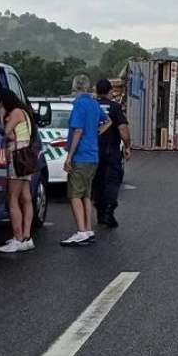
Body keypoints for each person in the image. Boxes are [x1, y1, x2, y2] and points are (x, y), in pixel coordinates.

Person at [62, 74, 109, 246]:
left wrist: (69, 156)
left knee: (75, 195)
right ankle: (88, 229)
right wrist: (96, 134)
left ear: (75, 88)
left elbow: (78, 131)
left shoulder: (79, 105)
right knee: (86, 195)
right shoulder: (94, 103)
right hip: (93, 155)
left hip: (81, 155)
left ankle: (81, 231)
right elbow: (107, 121)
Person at [0, 87, 37, 254]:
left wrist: (1, 114)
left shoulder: (15, 113)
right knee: (26, 197)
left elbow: (6, 133)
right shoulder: (25, 112)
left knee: (13, 198)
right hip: (27, 158)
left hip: (17, 157)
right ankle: (27, 237)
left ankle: (17, 237)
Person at [93, 78, 131, 228]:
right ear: (110, 91)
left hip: (94, 151)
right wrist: (127, 146)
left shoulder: (92, 106)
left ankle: (100, 213)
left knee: (98, 183)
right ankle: (109, 211)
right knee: (112, 182)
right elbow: (123, 130)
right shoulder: (115, 107)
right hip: (111, 151)